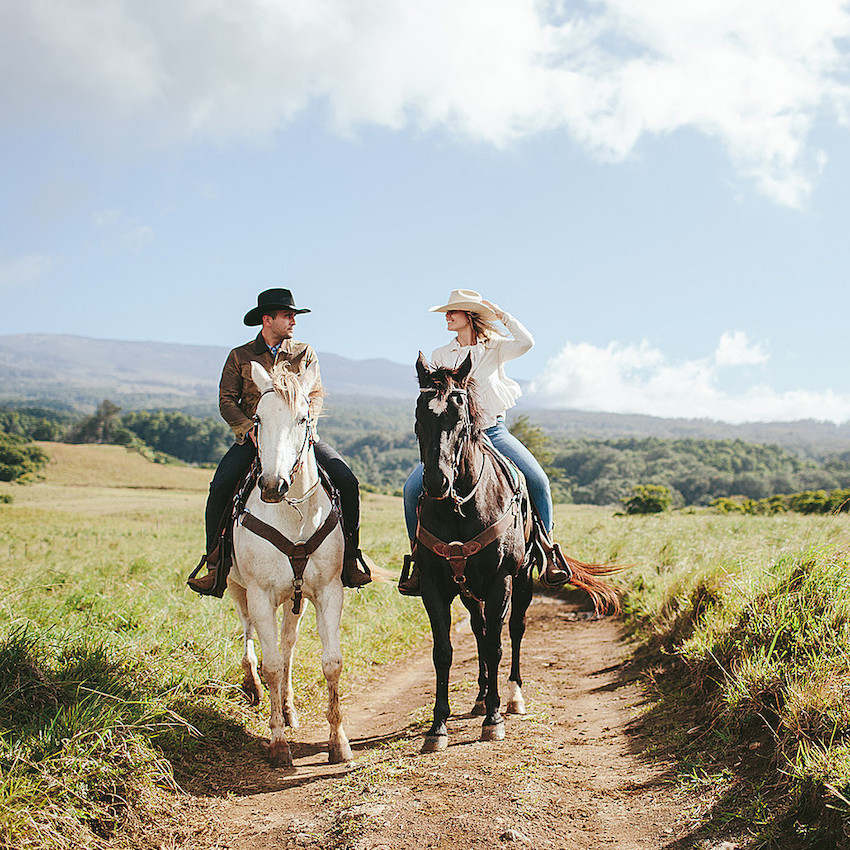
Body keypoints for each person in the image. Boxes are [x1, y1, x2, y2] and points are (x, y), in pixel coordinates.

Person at [187, 288, 372, 595]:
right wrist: (249, 429)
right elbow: (226, 400)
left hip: (299, 440)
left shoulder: (305, 352)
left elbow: (314, 394)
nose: (293, 322)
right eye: (288, 316)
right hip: (253, 441)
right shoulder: (239, 356)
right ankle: (215, 564)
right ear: (267, 319)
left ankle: (351, 558)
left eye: (294, 316)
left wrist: (306, 426)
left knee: (347, 481)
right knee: (220, 487)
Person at [399, 288, 568, 595]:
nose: (447, 317)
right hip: (455, 439)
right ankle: (418, 561)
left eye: (453, 311)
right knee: (411, 490)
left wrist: (502, 314)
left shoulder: (496, 348)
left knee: (538, 481)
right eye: (447, 312)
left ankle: (548, 551)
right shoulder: (440, 355)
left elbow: (527, 342)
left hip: (492, 432)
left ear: (470, 316)